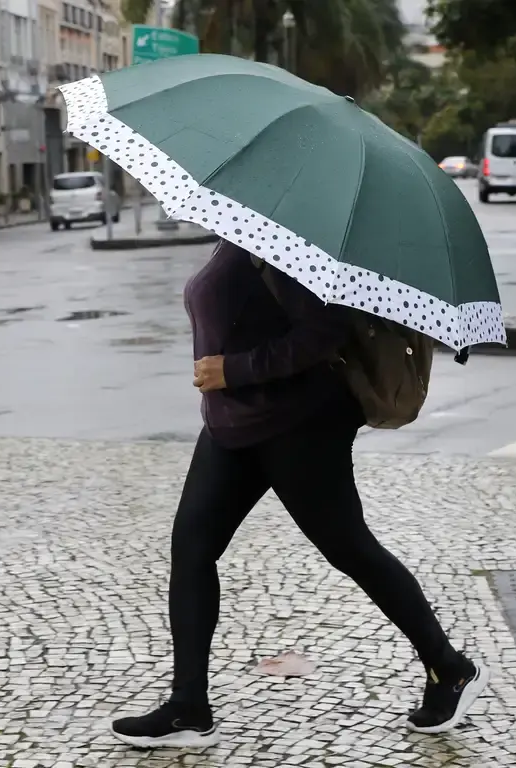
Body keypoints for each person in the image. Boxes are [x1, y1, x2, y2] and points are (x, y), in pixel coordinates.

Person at [109, 239, 489, 750]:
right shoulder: (240, 236)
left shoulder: (288, 243)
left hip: (299, 424)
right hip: (233, 423)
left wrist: (234, 369)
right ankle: (188, 707)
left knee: (349, 548)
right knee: (192, 548)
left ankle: (451, 668)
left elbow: (326, 331)